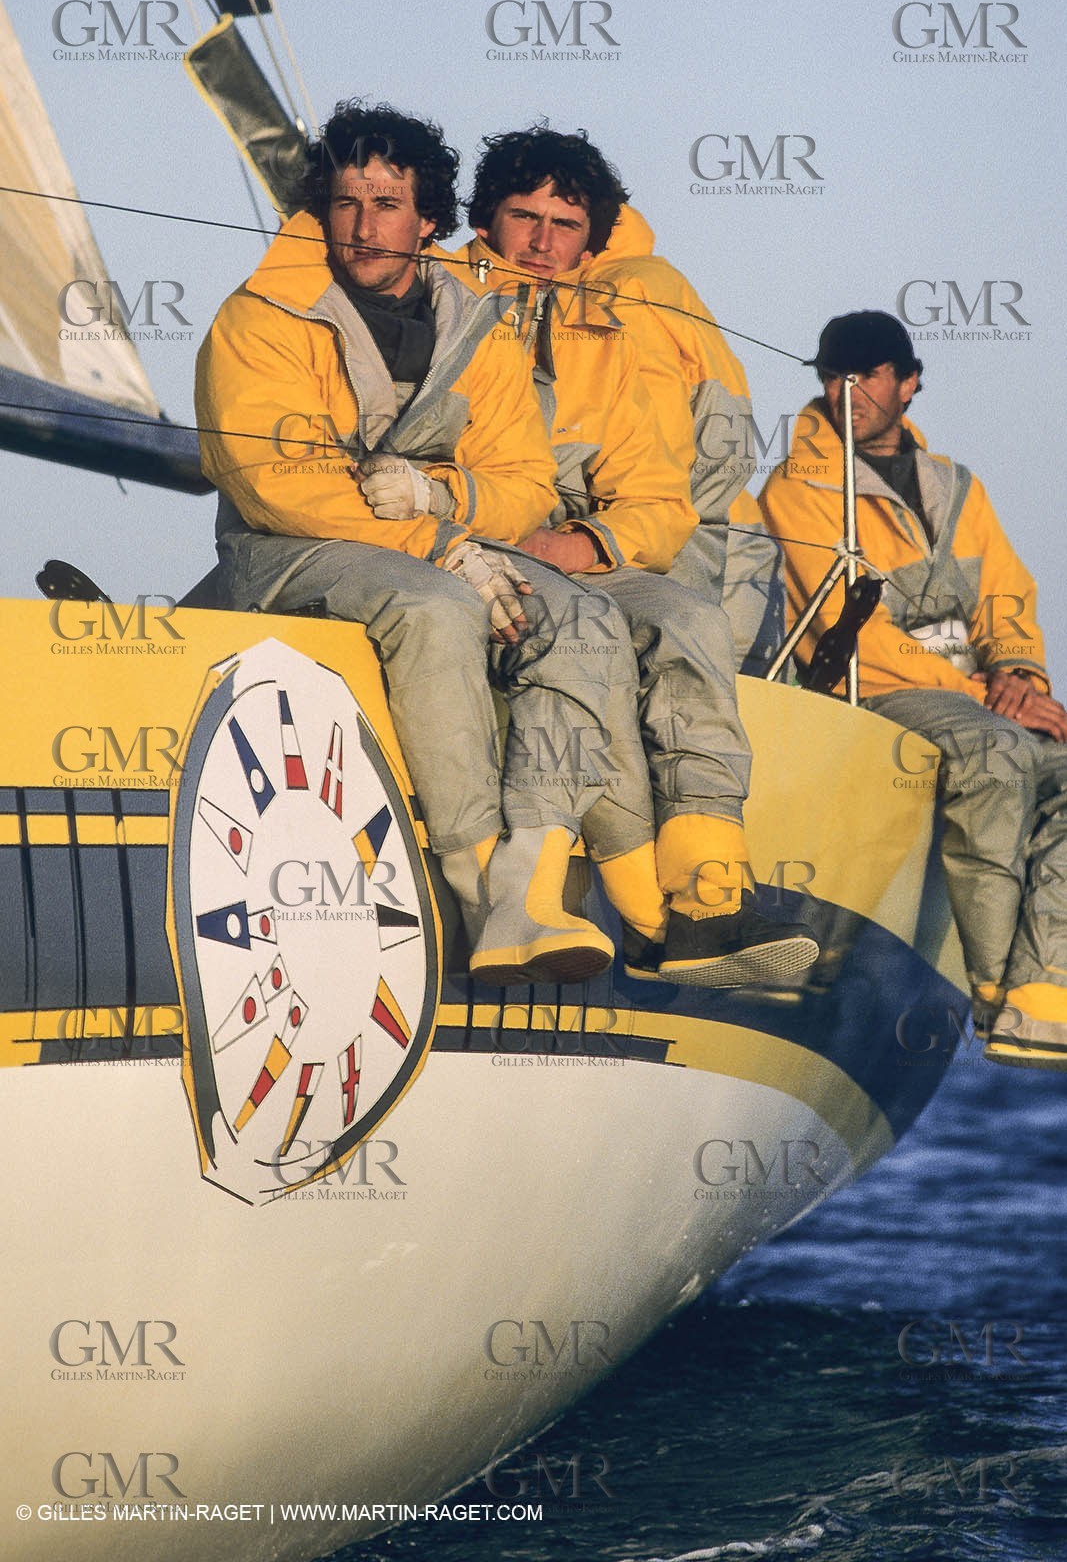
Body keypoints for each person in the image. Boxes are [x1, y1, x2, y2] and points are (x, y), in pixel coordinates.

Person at [195, 101, 659, 986]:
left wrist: (443, 502)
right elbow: (274, 483)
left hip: (436, 535)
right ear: (320, 211)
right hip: (284, 545)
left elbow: (524, 479)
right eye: (345, 203)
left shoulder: (473, 321)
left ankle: (534, 879)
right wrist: (437, 544)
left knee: (585, 616)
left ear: (430, 219)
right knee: (437, 608)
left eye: (387, 205)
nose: (365, 228)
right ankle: (478, 883)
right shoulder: (260, 316)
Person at [410, 126, 819, 988]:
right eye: (524, 217)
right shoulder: (435, 295)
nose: (544, 241)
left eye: (566, 223)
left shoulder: (602, 325)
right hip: (461, 534)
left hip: (575, 547)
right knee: (594, 640)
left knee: (689, 617)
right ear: (486, 218)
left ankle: (709, 896)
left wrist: (591, 538)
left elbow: (660, 495)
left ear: (594, 235)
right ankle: (640, 917)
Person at [759, 310, 1067, 1066]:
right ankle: (994, 996)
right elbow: (846, 625)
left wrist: (1021, 675)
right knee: (996, 756)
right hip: (877, 693)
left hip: (974, 694)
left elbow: (1004, 595)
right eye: (834, 374)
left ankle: (1041, 991)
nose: (848, 389)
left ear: (909, 383)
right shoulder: (794, 489)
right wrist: (985, 697)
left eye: (866, 374)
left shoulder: (957, 484)